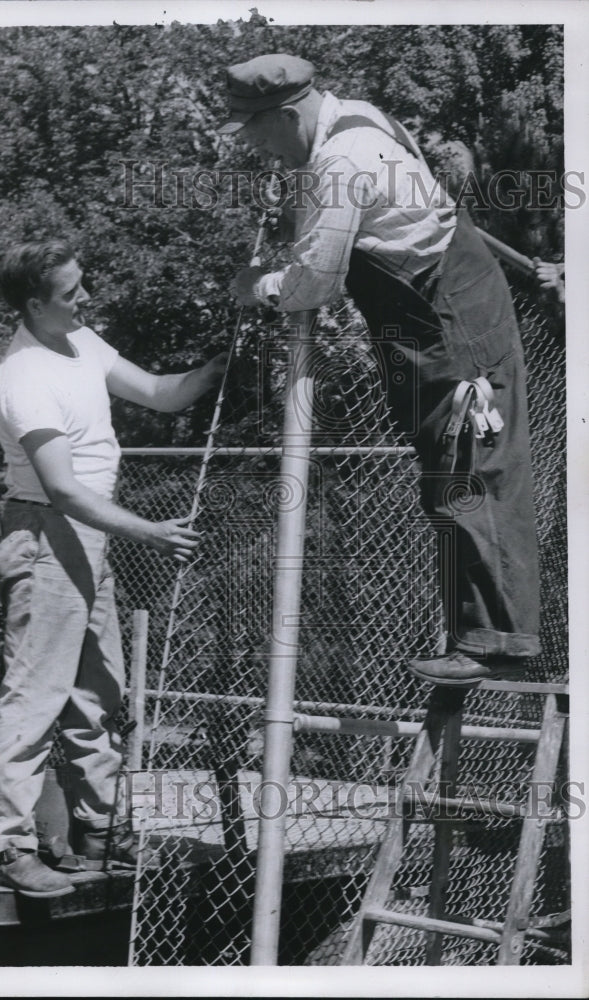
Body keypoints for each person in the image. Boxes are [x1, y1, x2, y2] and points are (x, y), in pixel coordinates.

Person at [220, 53, 541, 687]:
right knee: (455, 473)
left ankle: (492, 640)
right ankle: (483, 634)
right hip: (443, 310)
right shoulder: (359, 116)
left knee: (468, 471)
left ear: (286, 114)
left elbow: (315, 283)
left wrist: (258, 285)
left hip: (446, 321)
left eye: (252, 131)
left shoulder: (337, 163)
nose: (254, 147)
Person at [0, 239, 226, 896]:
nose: (85, 299)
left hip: (85, 536)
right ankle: (6, 843)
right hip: (47, 529)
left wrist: (220, 363)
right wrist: (151, 531)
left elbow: (158, 393)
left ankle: (95, 834)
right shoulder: (25, 375)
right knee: (36, 694)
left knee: (99, 690)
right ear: (35, 304)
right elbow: (61, 487)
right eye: (70, 292)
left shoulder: (79, 342)